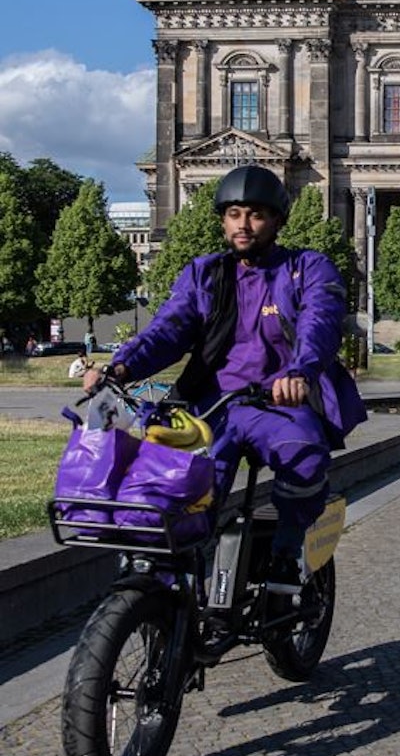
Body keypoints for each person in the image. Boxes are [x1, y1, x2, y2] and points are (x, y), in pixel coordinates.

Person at [84, 164, 367, 594]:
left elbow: (320, 322)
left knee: (305, 458)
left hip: (277, 403)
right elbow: (168, 330)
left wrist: (299, 371)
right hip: (210, 406)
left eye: (255, 214)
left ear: (276, 221)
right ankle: (169, 595)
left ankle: (287, 552)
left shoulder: (307, 268)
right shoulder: (205, 274)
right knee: (172, 491)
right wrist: (120, 367)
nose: (244, 224)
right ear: (222, 220)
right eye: (234, 214)